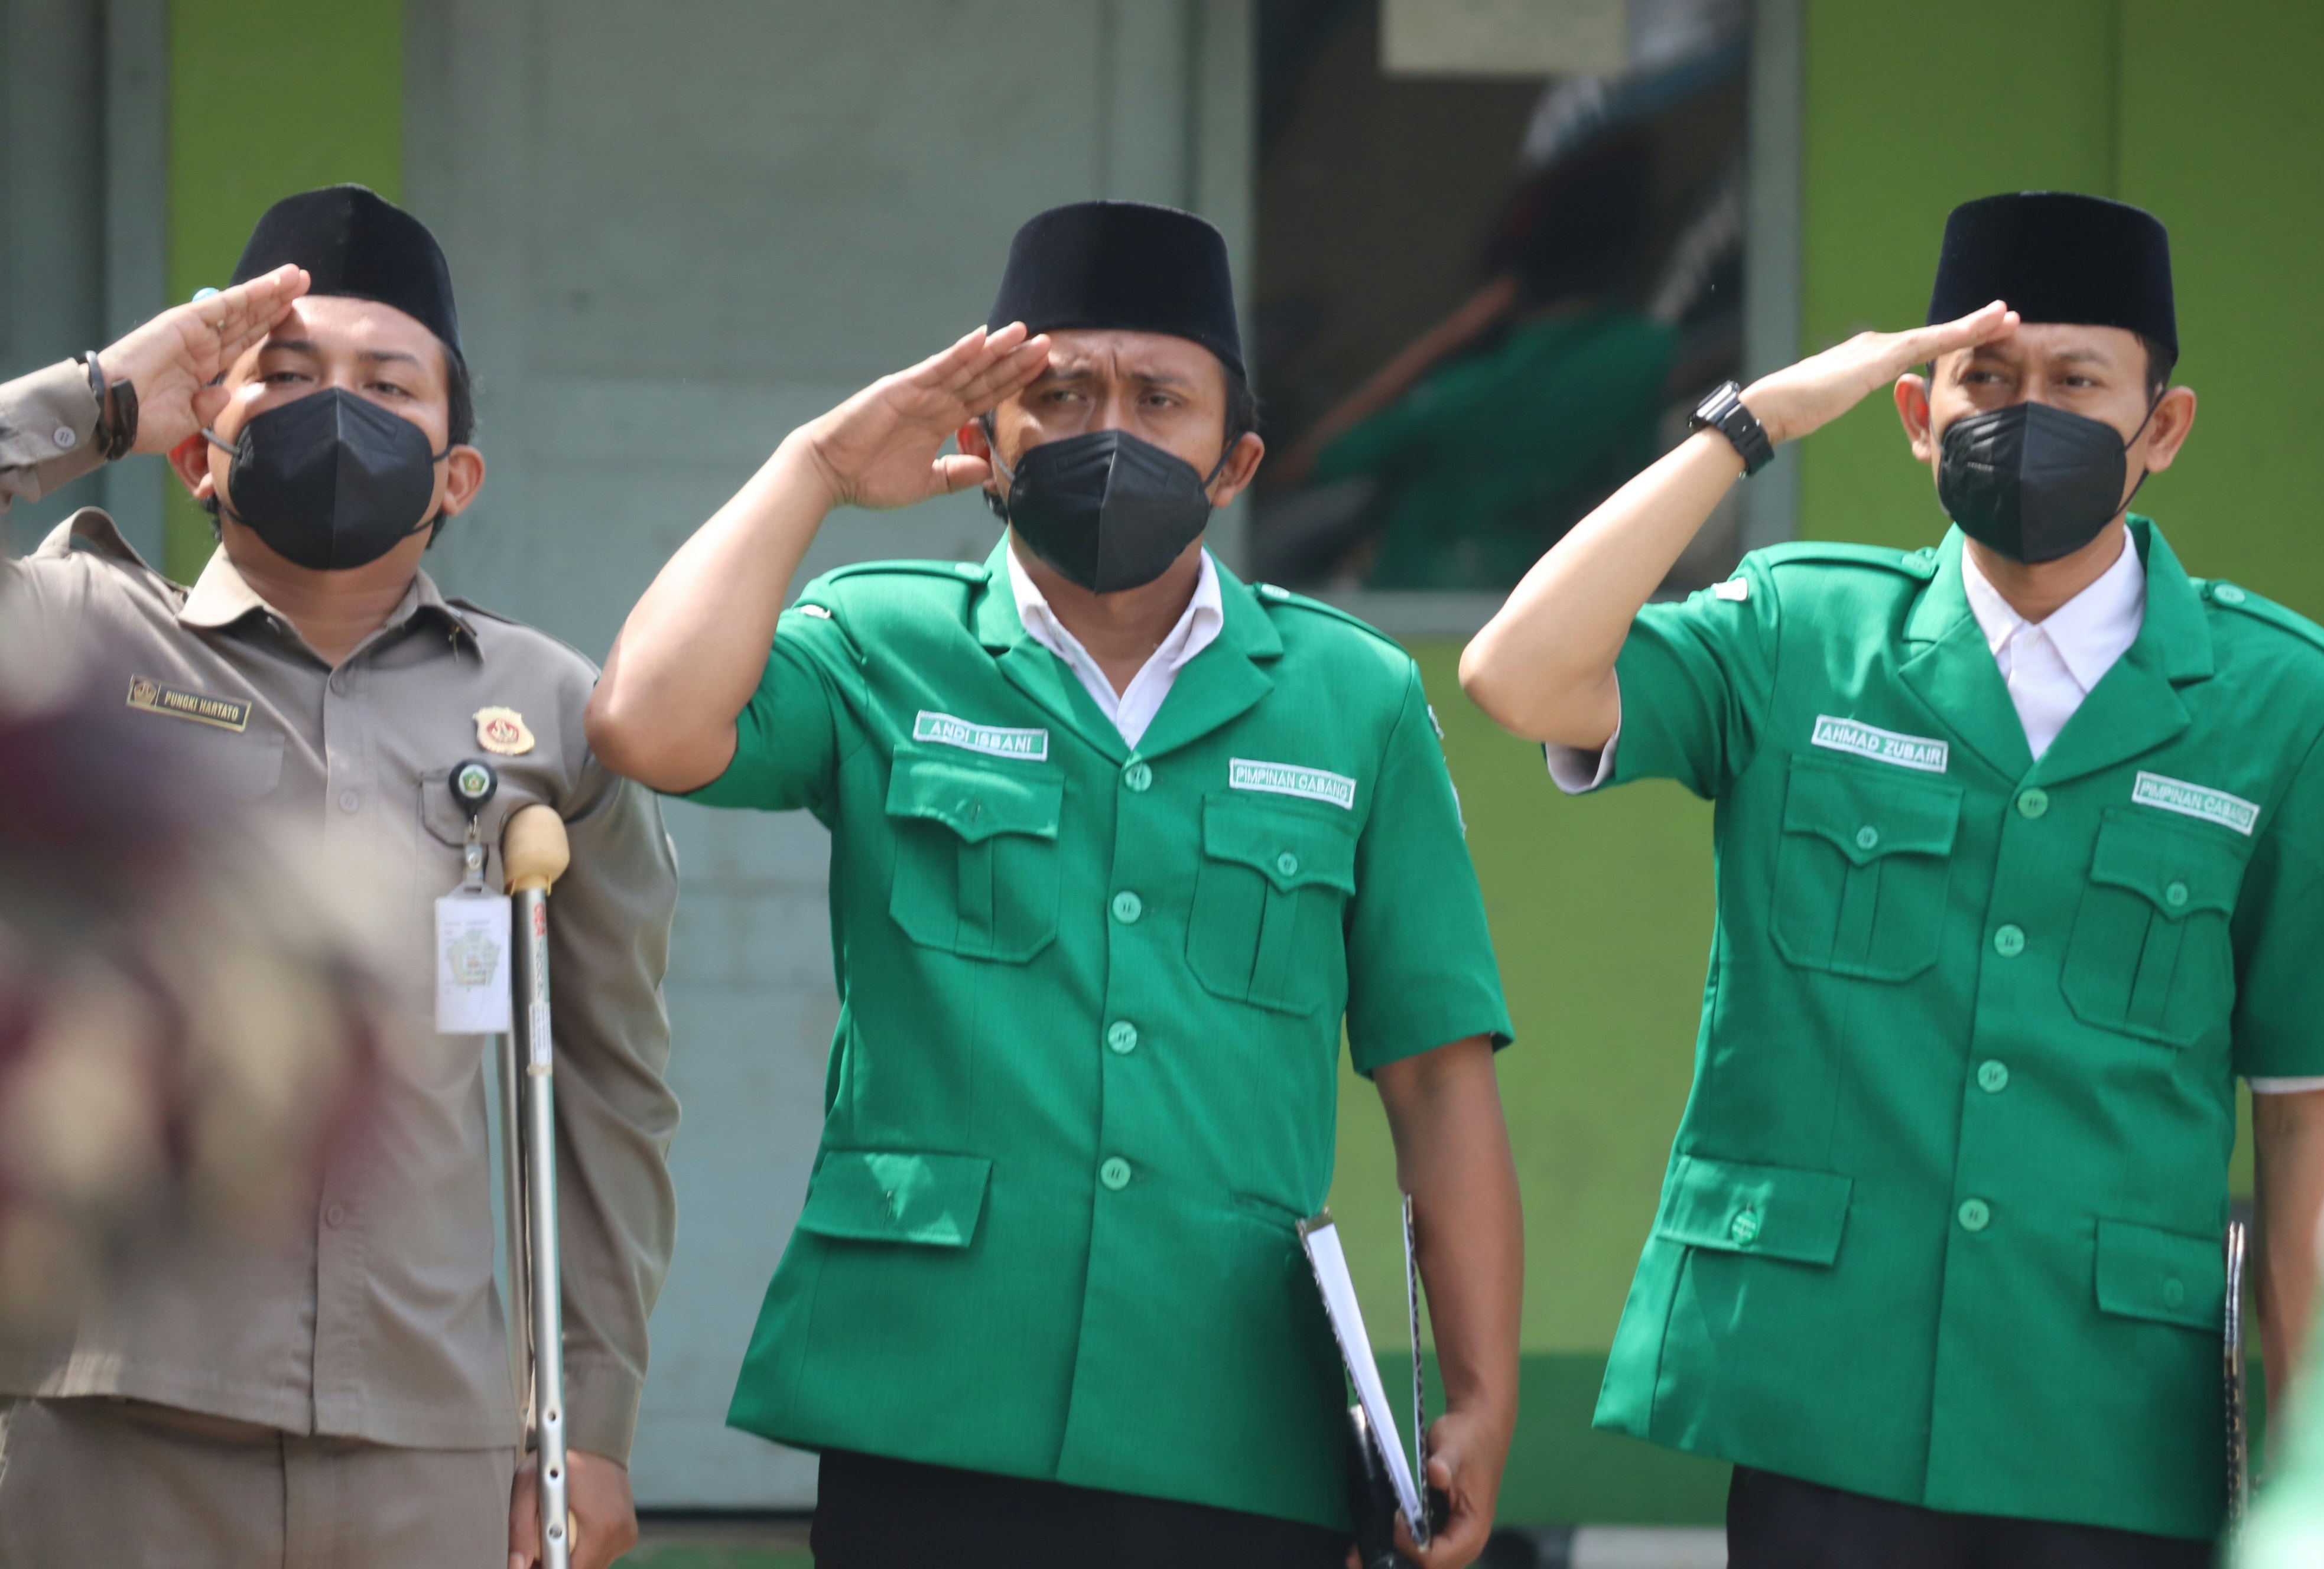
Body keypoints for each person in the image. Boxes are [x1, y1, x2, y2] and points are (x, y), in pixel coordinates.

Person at [586, 200, 1522, 1569]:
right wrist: (815, 468)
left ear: (1234, 457)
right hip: (929, 1391)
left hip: (1230, 1409)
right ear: (987, 439)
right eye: (1060, 392)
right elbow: (646, 726)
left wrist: (1485, 1387)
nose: (1109, 432)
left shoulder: (1352, 697)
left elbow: (1436, 1073)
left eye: (1160, 398)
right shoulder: (879, 642)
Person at [1458, 190, 2324, 1564]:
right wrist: (1753, 421)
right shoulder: (1798, 631)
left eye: (2075, 381)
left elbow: (2310, 1130)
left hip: (2108, 1427)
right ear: (1918, 416)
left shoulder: (2288, 707)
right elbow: (1519, 676)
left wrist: (2312, 1498)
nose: (2024, 411)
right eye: (1984, 377)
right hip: (1830, 1402)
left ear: (2158, 429)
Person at [0, 185, 680, 1569]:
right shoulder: (65, 627)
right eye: (285, 374)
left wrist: (587, 1421)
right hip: (104, 1405)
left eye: (388, 385)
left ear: (454, 475)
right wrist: (96, 402)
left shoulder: (553, 710)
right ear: (200, 445)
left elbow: (608, 1086)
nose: (335, 410)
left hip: (432, 1439)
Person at [1262, 134, 1677, 590]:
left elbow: (1297, 467)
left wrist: (1448, 337)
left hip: (1417, 600)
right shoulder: (1645, 354)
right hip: (1557, 600)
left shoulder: (1473, 387)